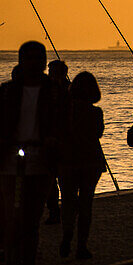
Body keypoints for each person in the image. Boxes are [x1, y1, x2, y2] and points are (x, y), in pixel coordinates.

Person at [0, 42, 57, 265]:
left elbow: (65, 125)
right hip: (11, 163)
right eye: (30, 58)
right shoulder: (5, 93)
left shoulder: (56, 92)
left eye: (40, 58)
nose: (36, 63)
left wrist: (53, 141)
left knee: (32, 220)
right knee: (13, 218)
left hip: (43, 163)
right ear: (21, 61)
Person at [59, 71, 105, 260]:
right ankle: (81, 245)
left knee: (68, 200)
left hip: (67, 161)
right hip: (91, 160)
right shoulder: (95, 112)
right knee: (87, 203)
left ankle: (67, 232)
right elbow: (98, 134)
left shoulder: (64, 110)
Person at [44, 60, 71, 226]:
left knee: (65, 180)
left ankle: (65, 210)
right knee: (49, 180)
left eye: (54, 71)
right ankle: (54, 211)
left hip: (66, 142)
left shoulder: (70, 90)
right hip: (48, 142)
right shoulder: (44, 89)